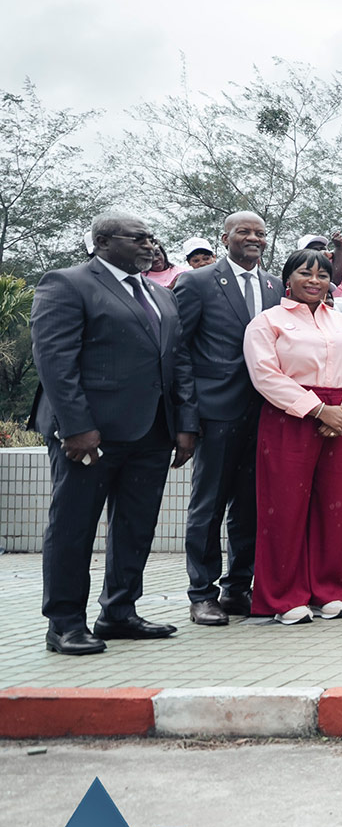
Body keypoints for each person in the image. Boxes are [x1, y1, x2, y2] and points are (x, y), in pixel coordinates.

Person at [30, 213, 197, 654]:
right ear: (103, 241)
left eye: (152, 238)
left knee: (135, 526)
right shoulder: (67, 284)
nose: (150, 245)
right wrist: (77, 426)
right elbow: (55, 361)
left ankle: (119, 612)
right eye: (138, 238)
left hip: (152, 431)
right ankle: (65, 623)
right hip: (91, 434)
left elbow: (178, 361)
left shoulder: (161, 294)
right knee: (73, 526)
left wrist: (185, 424)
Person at [242, 247, 342, 624]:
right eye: (305, 273)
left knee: (335, 506)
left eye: (322, 275)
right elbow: (265, 375)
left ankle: (330, 590)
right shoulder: (268, 322)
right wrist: (318, 409)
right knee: (285, 507)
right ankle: (284, 596)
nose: (314, 281)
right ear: (288, 279)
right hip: (291, 417)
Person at [171, 211, 279, 626]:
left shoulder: (273, 286)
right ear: (225, 238)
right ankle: (202, 593)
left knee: (251, 505)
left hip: (264, 411)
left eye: (260, 233)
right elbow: (179, 350)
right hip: (216, 412)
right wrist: (187, 415)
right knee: (209, 504)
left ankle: (238, 587)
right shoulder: (197, 282)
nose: (253, 238)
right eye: (244, 231)